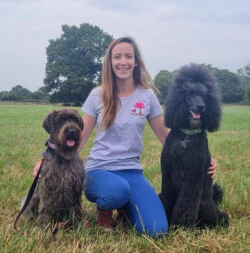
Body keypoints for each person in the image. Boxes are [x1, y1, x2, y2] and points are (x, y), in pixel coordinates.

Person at [33, 36, 218, 238]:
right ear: (110, 62)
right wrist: (46, 160)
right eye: (117, 57)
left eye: (128, 56)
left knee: (156, 230)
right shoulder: (97, 94)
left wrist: (202, 157)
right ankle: (106, 210)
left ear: (136, 61)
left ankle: (125, 210)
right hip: (99, 169)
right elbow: (77, 139)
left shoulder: (147, 96)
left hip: (133, 172)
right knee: (116, 191)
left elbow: (167, 137)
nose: (123, 62)